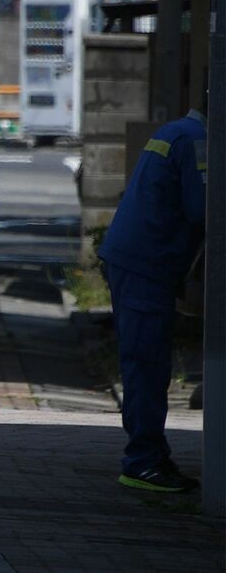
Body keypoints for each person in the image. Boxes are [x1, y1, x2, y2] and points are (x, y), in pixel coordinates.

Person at [97, 107, 207, 493]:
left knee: (146, 361)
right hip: (146, 264)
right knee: (147, 363)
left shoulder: (178, 131)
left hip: (136, 259)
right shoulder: (198, 141)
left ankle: (148, 456)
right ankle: (143, 462)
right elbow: (204, 208)